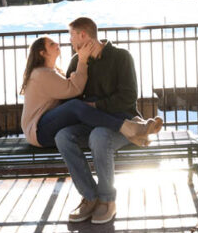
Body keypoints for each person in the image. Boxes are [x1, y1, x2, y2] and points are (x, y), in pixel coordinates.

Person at [54, 17, 162, 225]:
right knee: (63, 136)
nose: (70, 41)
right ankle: (90, 197)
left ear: (83, 35)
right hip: (90, 124)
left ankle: (107, 200)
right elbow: (70, 99)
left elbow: (128, 97)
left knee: (100, 135)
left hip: (121, 123)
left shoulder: (121, 57)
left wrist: (94, 106)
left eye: (72, 36)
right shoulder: (77, 61)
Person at [20, 36, 161, 150]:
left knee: (89, 102)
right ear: (42, 53)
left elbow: (71, 90)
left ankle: (135, 123)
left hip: (50, 124)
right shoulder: (41, 74)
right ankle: (126, 126)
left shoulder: (50, 72)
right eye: (51, 44)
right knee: (76, 105)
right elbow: (75, 90)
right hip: (38, 131)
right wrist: (82, 60)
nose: (56, 43)